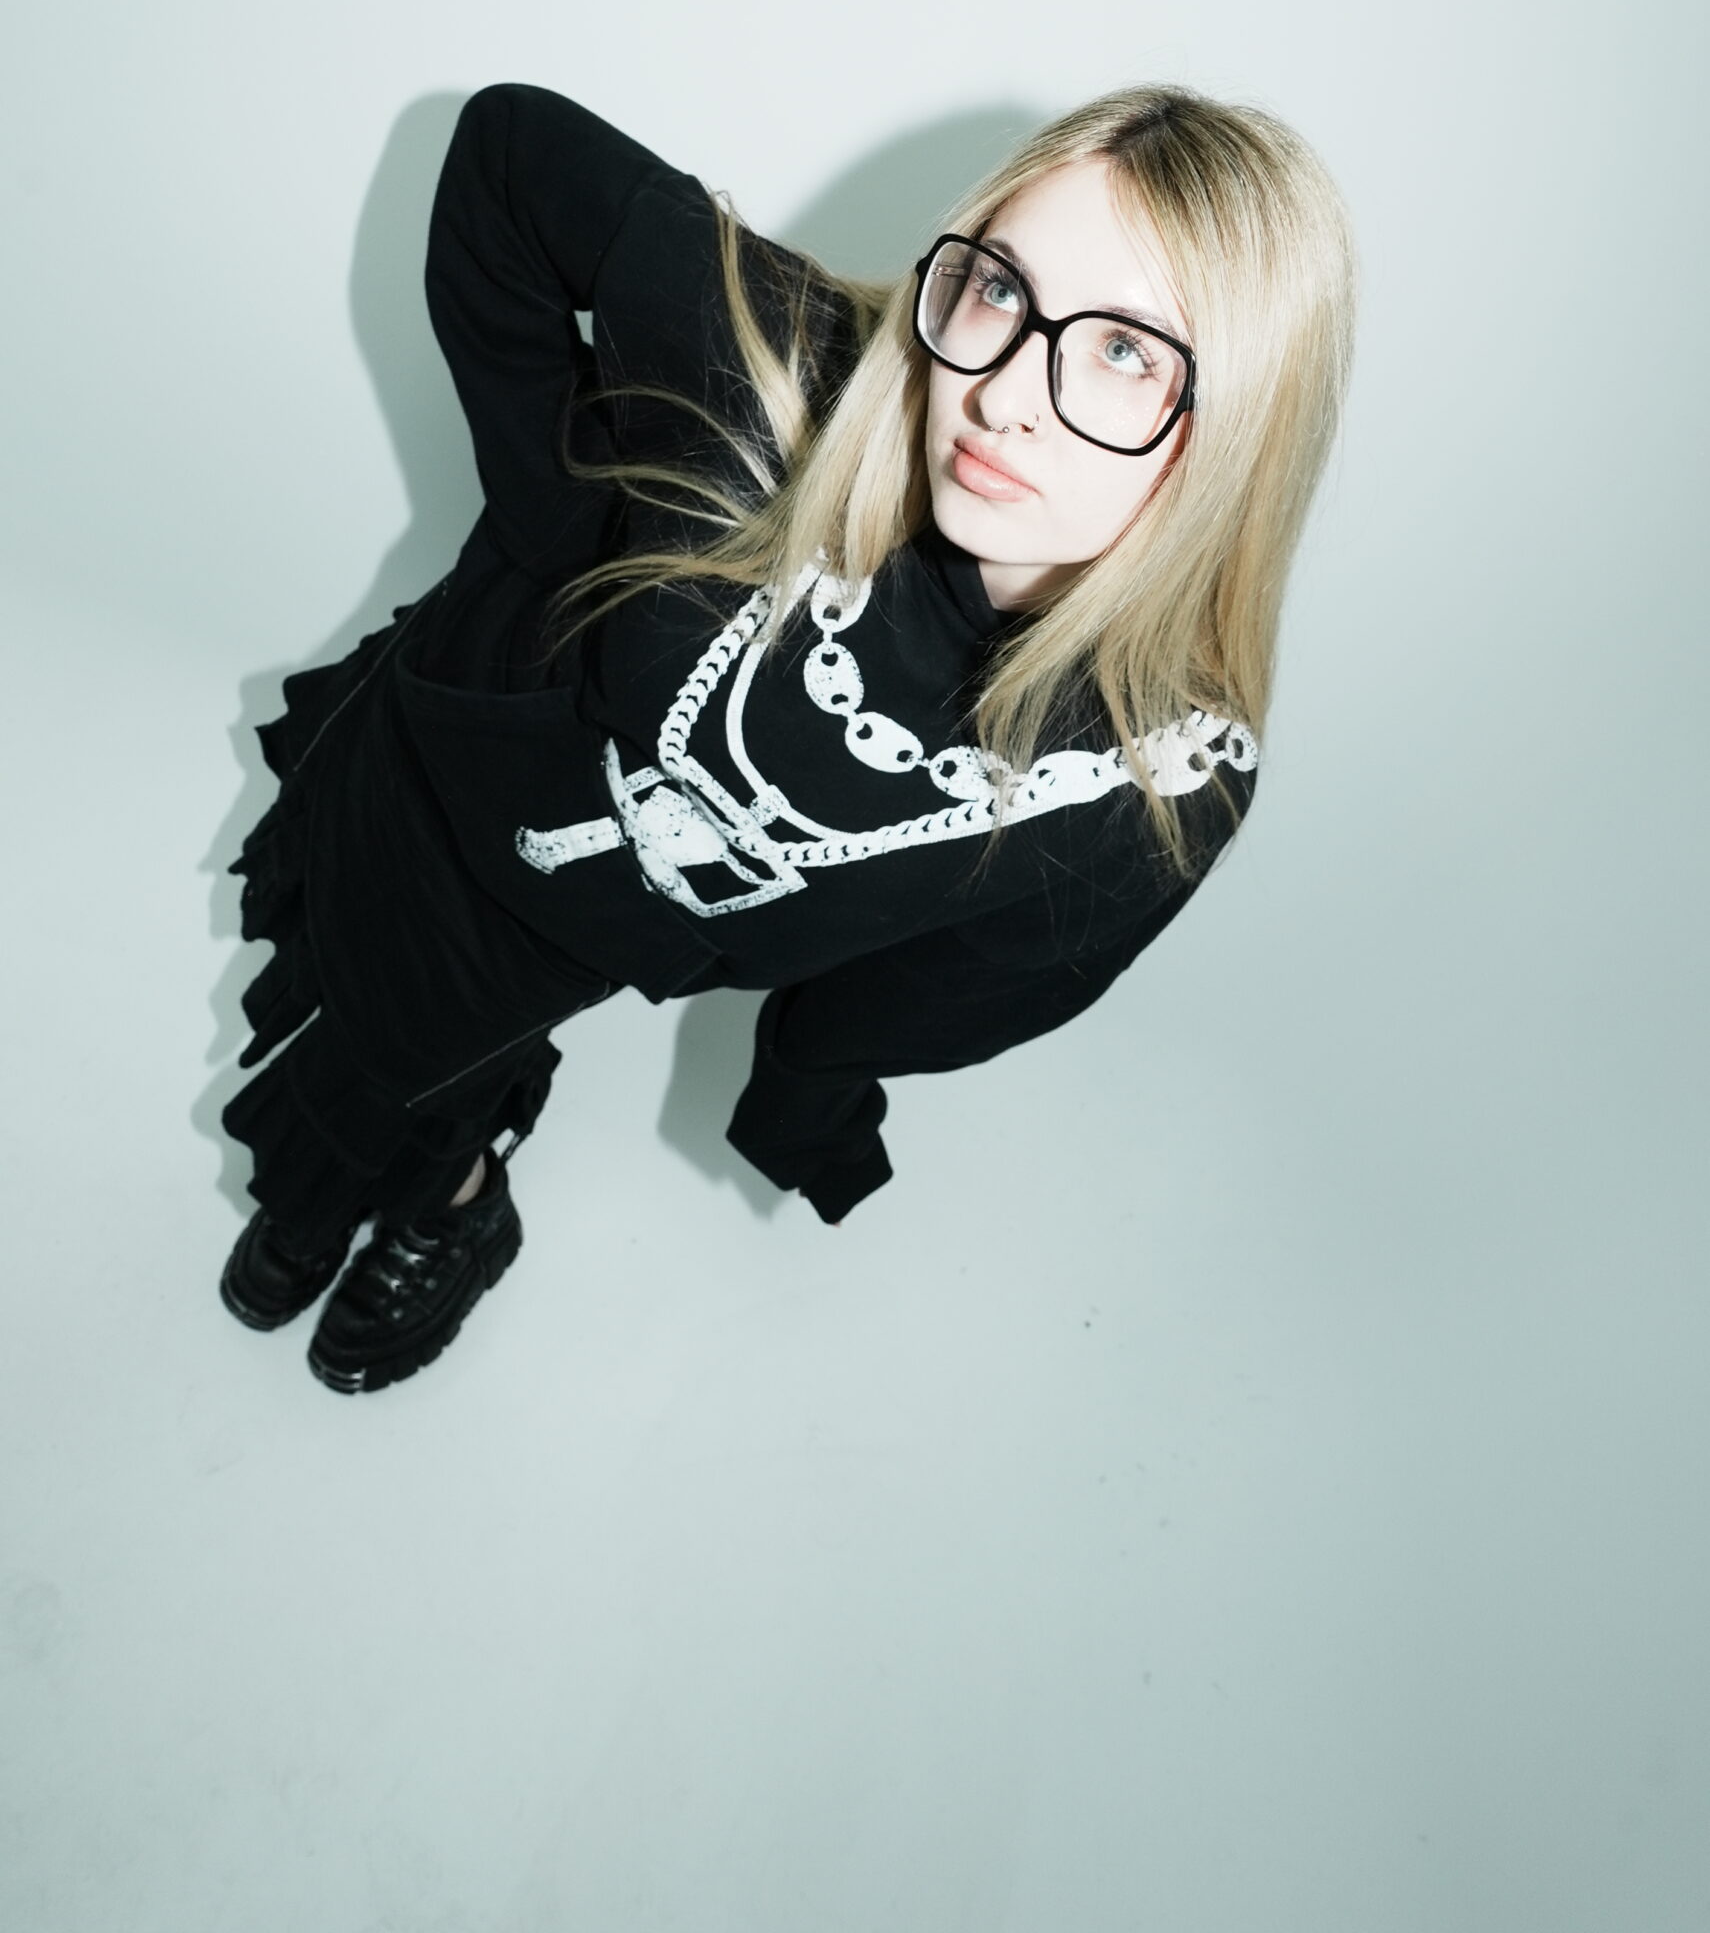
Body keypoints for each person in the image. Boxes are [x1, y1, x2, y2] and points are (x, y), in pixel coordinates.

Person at [216, 77, 1355, 1395]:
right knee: (337, 948)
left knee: (419, 1056)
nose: (1001, 396)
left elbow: (956, 984)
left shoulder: (1138, 793)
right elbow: (507, 153)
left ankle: (449, 1201)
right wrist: (554, 525)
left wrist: (810, 1081)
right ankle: (395, 1188)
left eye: (1124, 352)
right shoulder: (784, 381)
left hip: (546, 941)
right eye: (999, 289)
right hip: (438, 731)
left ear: (1238, 429)